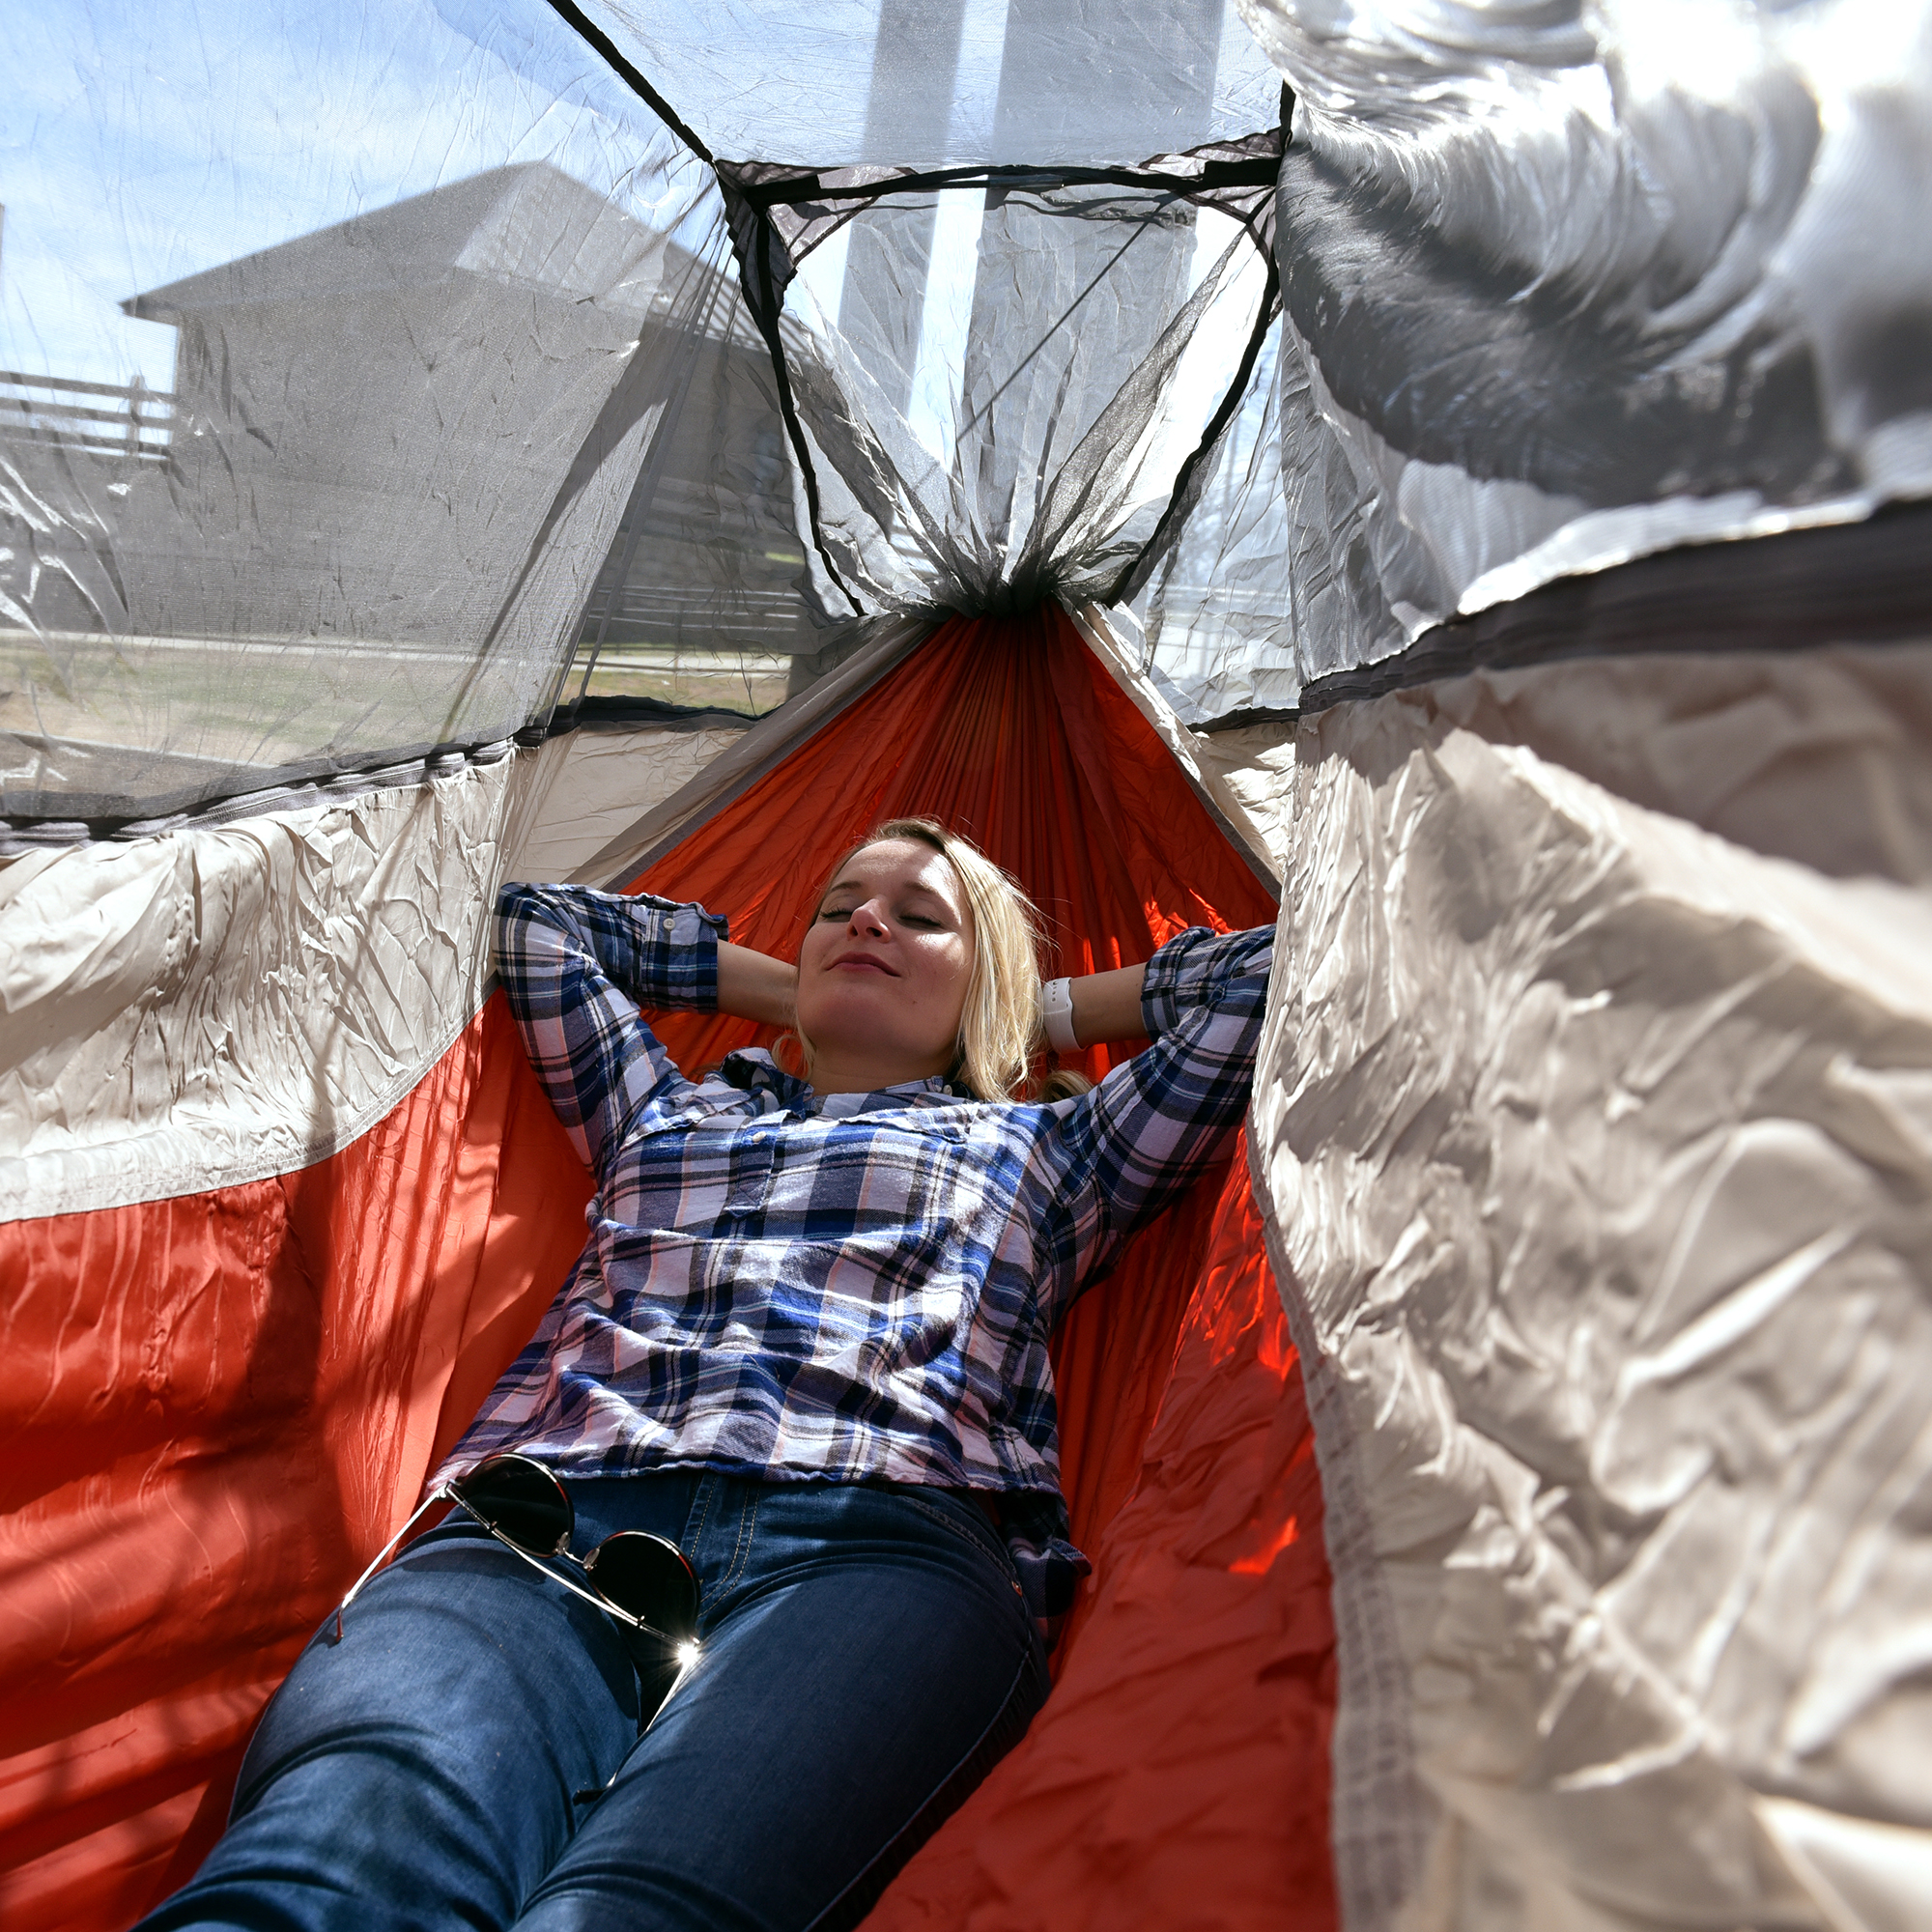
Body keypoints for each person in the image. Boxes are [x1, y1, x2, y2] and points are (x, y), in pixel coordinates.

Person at [139, 817, 1274, 1932]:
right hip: (547, 1527)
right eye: (839, 906)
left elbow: (1275, 973)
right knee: (328, 1872)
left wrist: (1043, 1014)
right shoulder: (665, 1112)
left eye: (919, 918)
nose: (865, 917)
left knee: (628, 1912)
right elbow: (536, 929)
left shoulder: (1049, 1149)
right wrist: (802, 988)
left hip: (876, 1549)